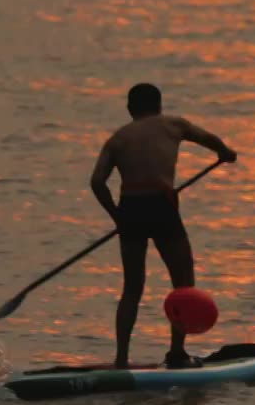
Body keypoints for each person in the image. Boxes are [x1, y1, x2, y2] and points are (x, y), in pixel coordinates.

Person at [89, 83, 237, 369]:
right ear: (159, 106)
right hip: (162, 209)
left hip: (131, 211)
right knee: (183, 284)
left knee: (132, 287)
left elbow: (97, 182)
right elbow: (210, 139)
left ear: (130, 109)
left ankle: (121, 360)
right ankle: (177, 354)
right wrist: (225, 153)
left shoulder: (118, 139)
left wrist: (117, 217)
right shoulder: (174, 125)